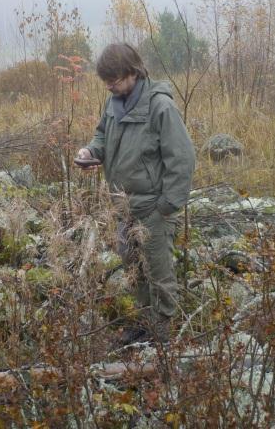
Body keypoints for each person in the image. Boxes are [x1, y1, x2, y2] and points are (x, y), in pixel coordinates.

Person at [76, 43, 195, 345]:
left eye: (114, 80)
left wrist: (167, 205)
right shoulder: (114, 102)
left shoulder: (160, 107)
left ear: (132, 72)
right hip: (124, 206)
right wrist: (91, 151)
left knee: (158, 273)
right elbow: (102, 133)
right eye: (106, 81)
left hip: (154, 208)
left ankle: (162, 337)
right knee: (134, 267)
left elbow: (182, 158)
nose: (109, 86)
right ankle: (144, 326)